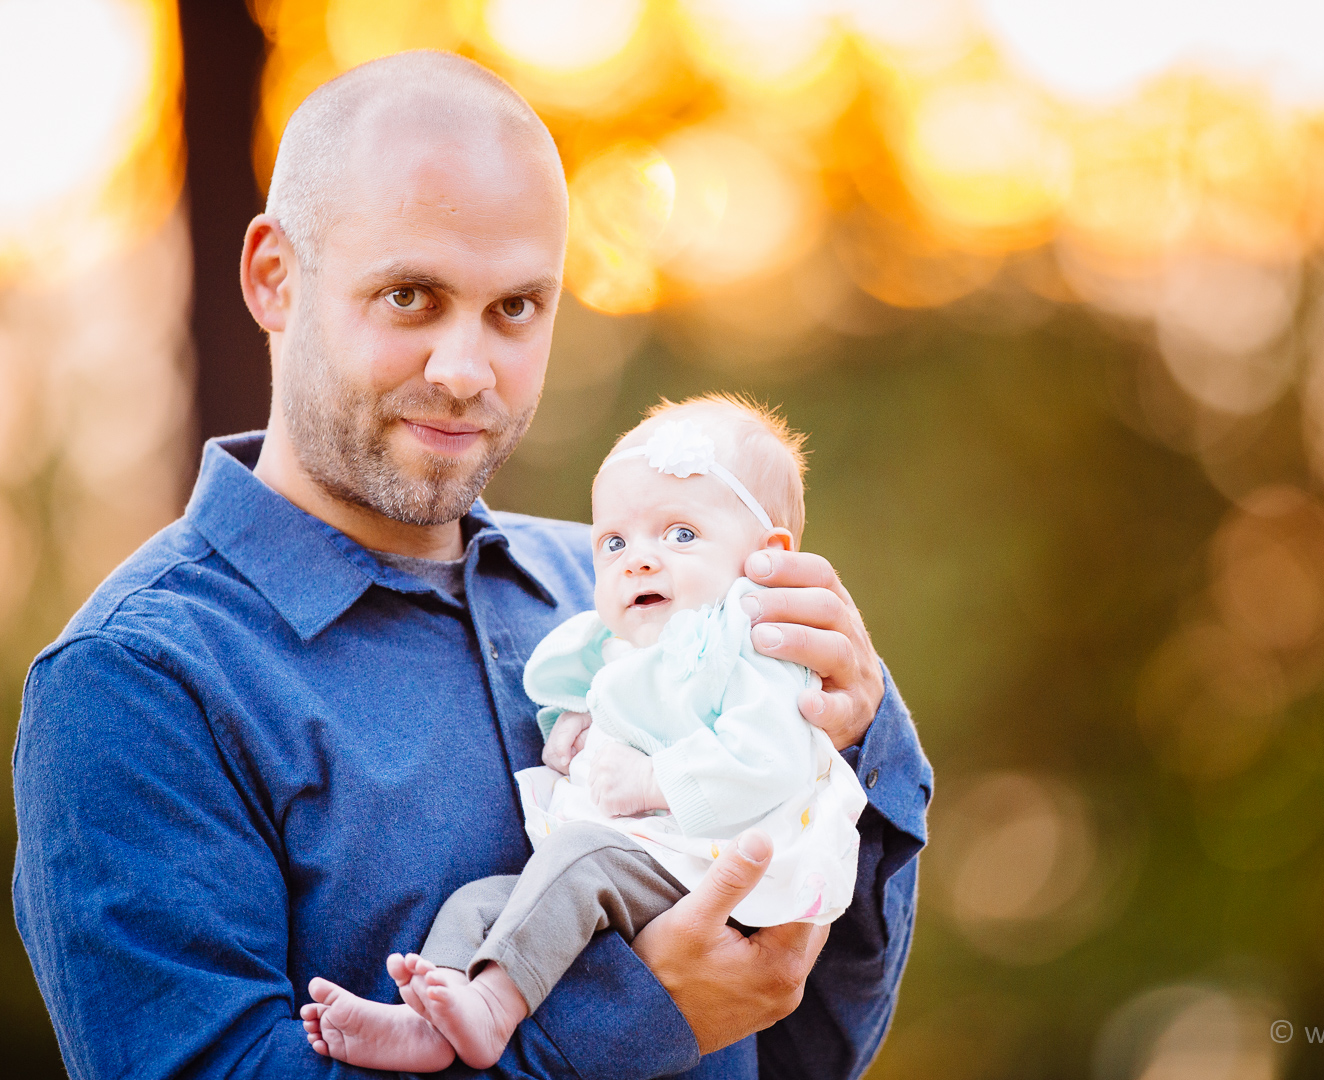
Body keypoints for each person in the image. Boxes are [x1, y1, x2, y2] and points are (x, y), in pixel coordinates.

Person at [11, 51, 930, 1080]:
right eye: (410, 296)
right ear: (275, 277)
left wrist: (856, 736)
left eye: (515, 309)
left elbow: (801, 1051)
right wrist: (633, 1021)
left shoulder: (621, 592)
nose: (464, 372)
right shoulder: (136, 684)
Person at [303, 397, 870, 1072]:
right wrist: (570, 726)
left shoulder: (756, 646)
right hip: (646, 856)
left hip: (713, 864)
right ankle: (433, 1013)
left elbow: (767, 762)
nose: (639, 561)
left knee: (575, 862)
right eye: (615, 543)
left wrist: (652, 782)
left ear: (767, 556)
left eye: (681, 534)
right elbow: (600, 697)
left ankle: (494, 1009)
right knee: (482, 902)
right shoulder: (626, 640)